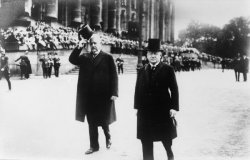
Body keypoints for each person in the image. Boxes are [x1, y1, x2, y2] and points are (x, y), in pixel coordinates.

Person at [69, 33, 118, 154]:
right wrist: (79, 46)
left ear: (100, 44)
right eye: (91, 44)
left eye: (95, 43)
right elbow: (72, 59)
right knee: (91, 122)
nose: (93, 46)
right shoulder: (85, 57)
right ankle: (94, 146)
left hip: (104, 96)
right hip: (89, 97)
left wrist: (114, 92)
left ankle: (108, 136)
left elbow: (114, 76)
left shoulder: (107, 57)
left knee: (104, 120)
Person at [134, 39, 179, 160]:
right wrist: (137, 107)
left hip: (162, 109)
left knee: (165, 137)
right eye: (150, 53)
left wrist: (174, 107)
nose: (153, 56)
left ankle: (169, 153)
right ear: (147, 55)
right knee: (146, 138)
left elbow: (174, 89)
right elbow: (137, 89)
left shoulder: (168, 69)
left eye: (155, 53)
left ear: (160, 55)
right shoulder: (142, 70)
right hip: (145, 111)